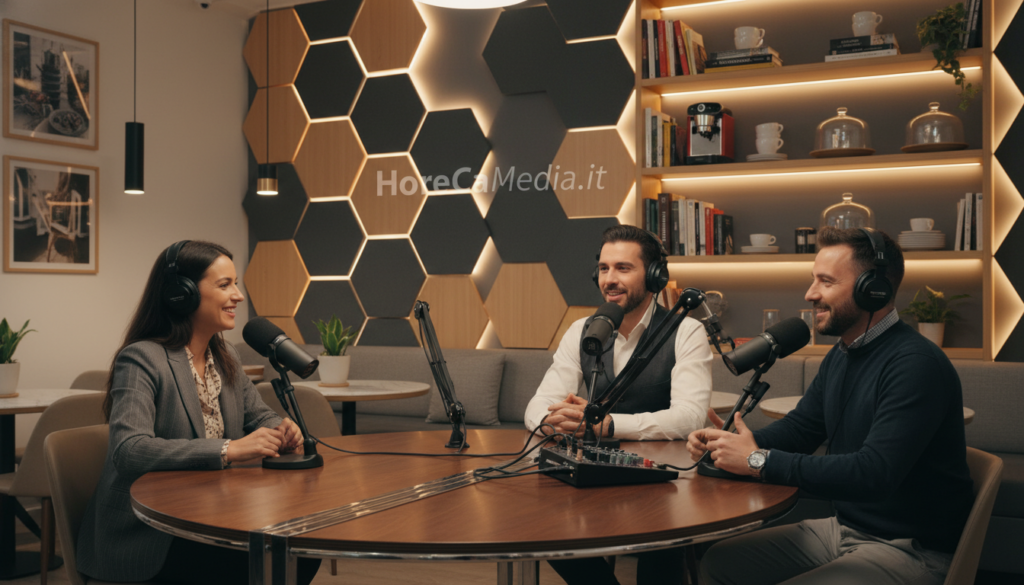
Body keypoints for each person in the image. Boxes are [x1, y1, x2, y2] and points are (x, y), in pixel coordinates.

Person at [688, 227, 973, 585]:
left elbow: (874, 474)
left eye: (826, 282)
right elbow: (802, 429)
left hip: (910, 548)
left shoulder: (916, 364)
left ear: (873, 289)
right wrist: (728, 446)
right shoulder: (843, 353)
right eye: (813, 280)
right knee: (719, 562)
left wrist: (757, 461)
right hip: (844, 530)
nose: (810, 294)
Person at [77, 240, 321, 584]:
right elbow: (128, 450)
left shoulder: (226, 357)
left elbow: (258, 415)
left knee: (300, 549)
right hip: (151, 534)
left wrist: (281, 428)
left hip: (215, 513)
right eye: (224, 285)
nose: (238, 295)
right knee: (263, 558)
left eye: (235, 283)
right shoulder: (142, 359)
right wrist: (228, 449)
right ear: (182, 294)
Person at [524, 225, 713, 585]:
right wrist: (555, 420)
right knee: (544, 530)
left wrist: (607, 425)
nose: (610, 279)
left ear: (655, 276)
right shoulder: (582, 330)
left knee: (663, 544)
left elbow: (689, 417)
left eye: (623, 268)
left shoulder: (686, 332)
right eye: (604, 268)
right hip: (597, 471)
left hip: (664, 480)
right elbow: (538, 404)